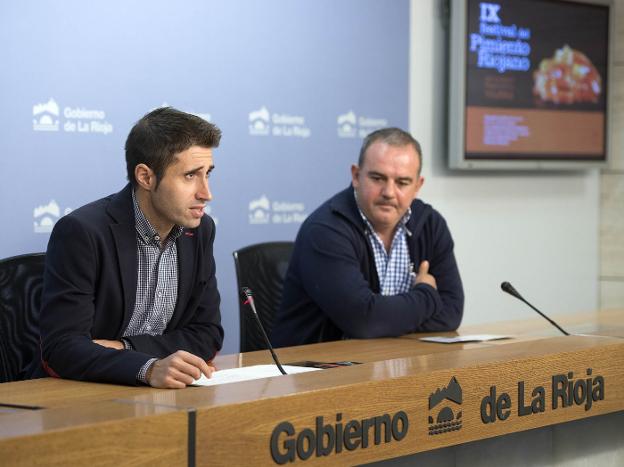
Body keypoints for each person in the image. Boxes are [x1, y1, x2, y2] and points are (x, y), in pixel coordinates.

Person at [32, 107, 224, 388]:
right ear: (146, 177)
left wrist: (124, 348)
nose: (206, 193)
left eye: (208, 174)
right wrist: (147, 369)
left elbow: (208, 334)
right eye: (190, 176)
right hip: (80, 396)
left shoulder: (201, 230)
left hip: (166, 395)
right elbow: (62, 348)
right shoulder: (82, 232)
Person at [272, 127, 464, 347]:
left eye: (402, 182)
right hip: (316, 371)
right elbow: (363, 320)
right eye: (378, 178)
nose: (389, 192)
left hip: (394, 362)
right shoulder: (325, 229)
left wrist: (383, 319)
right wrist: (427, 295)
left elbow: (452, 313)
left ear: (418, 186)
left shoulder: (431, 224)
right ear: (356, 176)